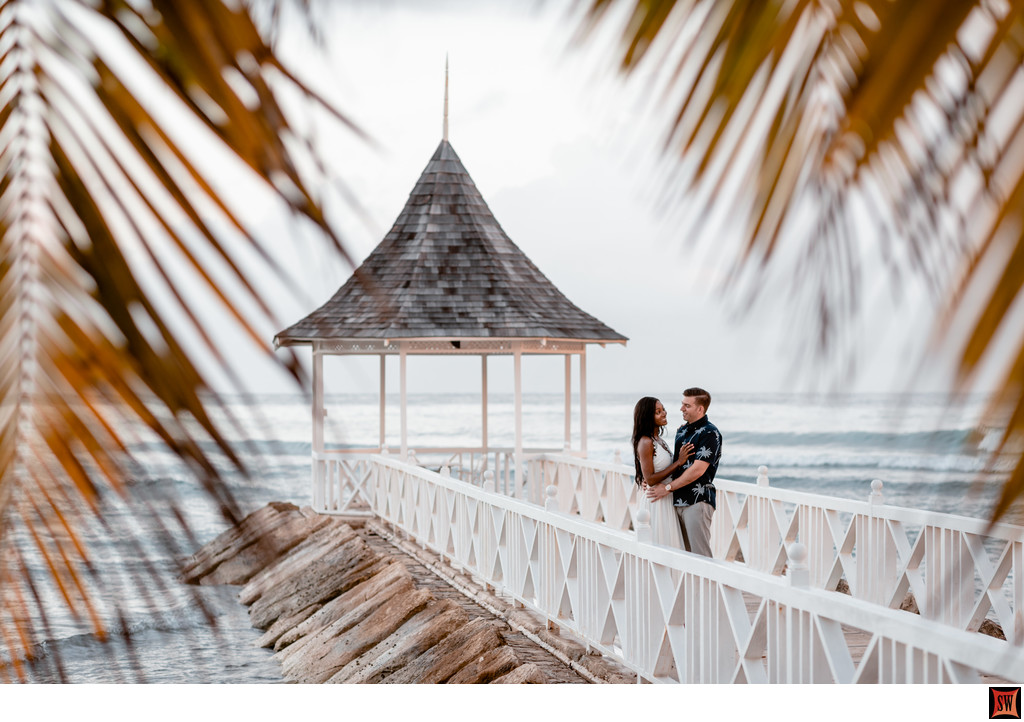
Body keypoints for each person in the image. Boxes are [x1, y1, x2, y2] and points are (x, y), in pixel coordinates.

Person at [645, 388, 721, 557]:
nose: (681, 409)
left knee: (700, 556)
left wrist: (666, 488)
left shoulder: (710, 432)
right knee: (685, 556)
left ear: (700, 409)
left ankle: (708, 585)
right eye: (682, 404)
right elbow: (677, 466)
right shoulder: (681, 431)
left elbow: (697, 471)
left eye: (687, 405)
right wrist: (651, 479)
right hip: (676, 500)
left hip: (697, 501)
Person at [631, 397, 693, 548]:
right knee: (661, 545)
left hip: (665, 497)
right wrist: (679, 462)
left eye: (663, 409)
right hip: (656, 501)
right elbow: (650, 479)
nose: (664, 413)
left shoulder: (659, 440)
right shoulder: (646, 442)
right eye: (658, 412)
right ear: (647, 417)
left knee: (671, 545)